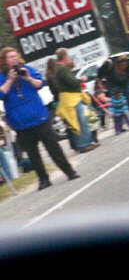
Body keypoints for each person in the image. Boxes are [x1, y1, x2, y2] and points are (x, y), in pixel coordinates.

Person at [0, 47, 78, 190]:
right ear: (4, 61)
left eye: (15, 56)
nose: (14, 59)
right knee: (32, 153)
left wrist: (28, 78)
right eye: (10, 57)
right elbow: (1, 94)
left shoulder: (27, 69)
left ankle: (69, 171)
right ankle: (43, 179)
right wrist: (10, 80)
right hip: (20, 121)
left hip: (39, 116)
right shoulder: (1, 76)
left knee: (53, 146)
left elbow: (40, 84)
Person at [46, 49, 98, 154]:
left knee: (81, 120)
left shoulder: (60, 69)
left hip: (72, 98)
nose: (69, 58)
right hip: (71, 99)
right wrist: (81, 79)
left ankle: (88, 142)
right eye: (68, 56)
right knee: (79, 122)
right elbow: (71, 82)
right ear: (64, 57)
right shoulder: (62, 69)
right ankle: (83, 144)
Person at [98, 54, 129, 127]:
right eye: (121, 62)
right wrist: (101, 87)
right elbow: (99, 75)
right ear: (116, 62)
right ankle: (119, 126)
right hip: (112, 84)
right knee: (117, 105)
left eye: (125, 61)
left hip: (125, 83)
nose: (124, 63)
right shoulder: (108, 64)